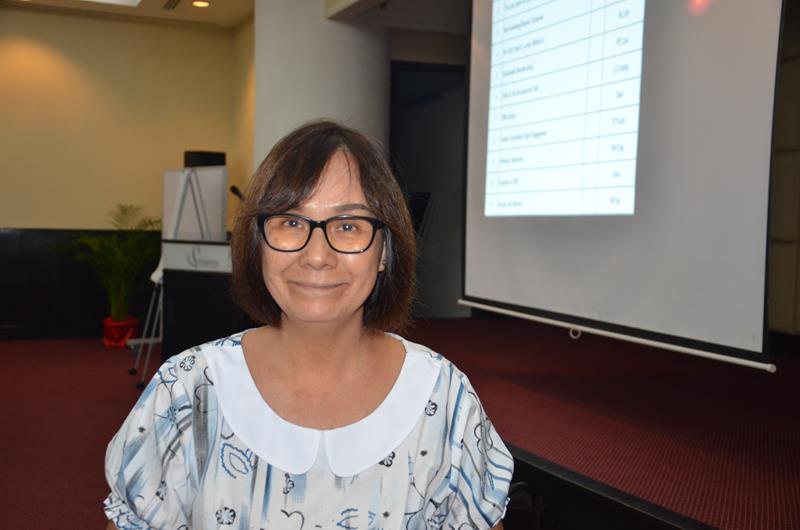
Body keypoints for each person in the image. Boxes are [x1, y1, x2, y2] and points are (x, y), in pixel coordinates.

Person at [103, 120, 514, 530]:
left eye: (348, 226)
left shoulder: (443, 397)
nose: (317, 256)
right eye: (291, 223)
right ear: (258, 244)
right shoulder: (187, 390)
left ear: (385, 251)